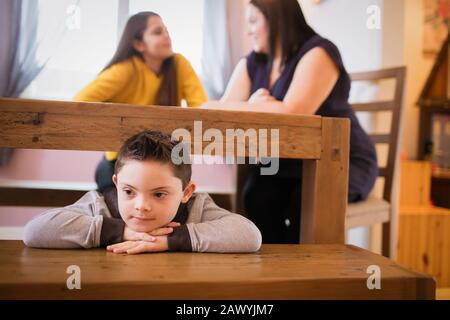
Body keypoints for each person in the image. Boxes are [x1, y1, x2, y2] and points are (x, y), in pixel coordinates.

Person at [218, 0, 378, 244]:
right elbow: (222, 111)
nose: (248, 30)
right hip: (289, 167)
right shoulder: (254, 62)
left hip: (341, 162)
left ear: (276, 19)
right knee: (256, 196)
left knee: (303, 204)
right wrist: (253, 105)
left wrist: (257, 107)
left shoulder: (319, 52)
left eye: (253, 21)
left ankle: (310, 277)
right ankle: (274, 274)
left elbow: (293, 114)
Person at [23, 131, 262, 254]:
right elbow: (34, 231)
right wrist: (122, 232)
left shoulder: (197, 207)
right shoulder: (102, 205)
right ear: (117, 184)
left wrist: (167, 241)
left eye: (159, 194)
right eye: (129, 191)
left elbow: (250, 236)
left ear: (186, 192)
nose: (141, 206)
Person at [74, 11, 208, 193]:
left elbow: (201, 108)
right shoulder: (125, 70)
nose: (166, 35)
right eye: (157, 32)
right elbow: (80, 101)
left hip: (162, 162)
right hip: (119, 164)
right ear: (138, 44)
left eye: (167, 30)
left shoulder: (179, 64)